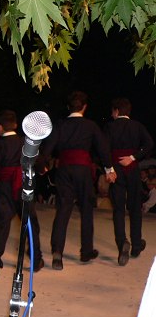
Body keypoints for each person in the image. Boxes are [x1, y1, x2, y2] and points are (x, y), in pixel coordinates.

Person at [40, 91, 116, 270]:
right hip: (83, 170)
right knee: (86, 210)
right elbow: (103, 148)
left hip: (64, 169)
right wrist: (109, 169)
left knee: (63, 210)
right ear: (84, 107)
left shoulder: (60, 125)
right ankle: (86, 251)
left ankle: (57, 252)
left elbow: (48, 147)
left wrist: (42, 165)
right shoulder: (90, 125)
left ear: (68, 107)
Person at [0, 110, 43, 278]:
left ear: (0, 128)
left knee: (0, 223)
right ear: (15, 125)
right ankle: (36, 260)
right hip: (25, 185)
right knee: (30, 223)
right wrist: (42, 168)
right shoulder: (26, 142)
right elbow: (37, 159)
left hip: (5, 187)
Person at [103, 98, 153, 264]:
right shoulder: (137, 126)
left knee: (118, 209)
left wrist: (109, 169)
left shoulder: (110, 126)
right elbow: (149, 144)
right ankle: (136, 245)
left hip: (116, 170)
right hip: (132, 169)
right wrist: (133, 157)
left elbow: (104, 150)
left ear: (117, 111)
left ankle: (122, 242)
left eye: (112, 111)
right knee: (135, 208)